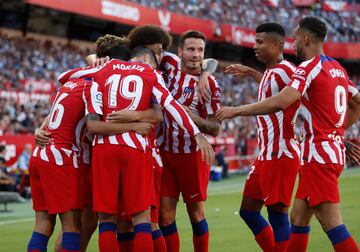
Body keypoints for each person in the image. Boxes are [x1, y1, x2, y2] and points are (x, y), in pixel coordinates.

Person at [216, 16, 360, 252]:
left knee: (332, 226)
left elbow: (283, 100)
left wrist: (235, 111)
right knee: (298, 220)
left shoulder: (307, 67)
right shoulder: (337, 68)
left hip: (314, 155)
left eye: (294, 38)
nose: (293, 43)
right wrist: (336, 132)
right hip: (318, 152)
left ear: (305, 38)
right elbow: (357, 103)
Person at [58, 45, 214, 252]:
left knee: (106, 220)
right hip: (137, 148)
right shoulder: (151, 74)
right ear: (142, 58)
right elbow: (171, 105)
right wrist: (196, 134)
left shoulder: (106, 68)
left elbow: (64, 76)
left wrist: (96, 62)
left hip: (104, 147)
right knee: (143, 219)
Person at [219, 23, 300, 252]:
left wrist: (235, 110)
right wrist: (252, 73)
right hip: (265, 155)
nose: (255, 47)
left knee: (277, 214)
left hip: (281, 153)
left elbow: (295, 99)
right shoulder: (272, 73)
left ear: (276, 45)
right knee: (248, 211)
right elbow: (271, 90)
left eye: (260, 42)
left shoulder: (287, 70)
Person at [156, 30, 221, 252]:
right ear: (180, 51)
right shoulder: (168, 62)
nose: (196, 55)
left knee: (196, 213)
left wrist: (189, 116)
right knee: (164, 215)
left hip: (192, 154)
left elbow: (215, 128)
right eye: (191, 49)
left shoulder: (210, 85)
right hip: (164, 152)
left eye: (200, 50)